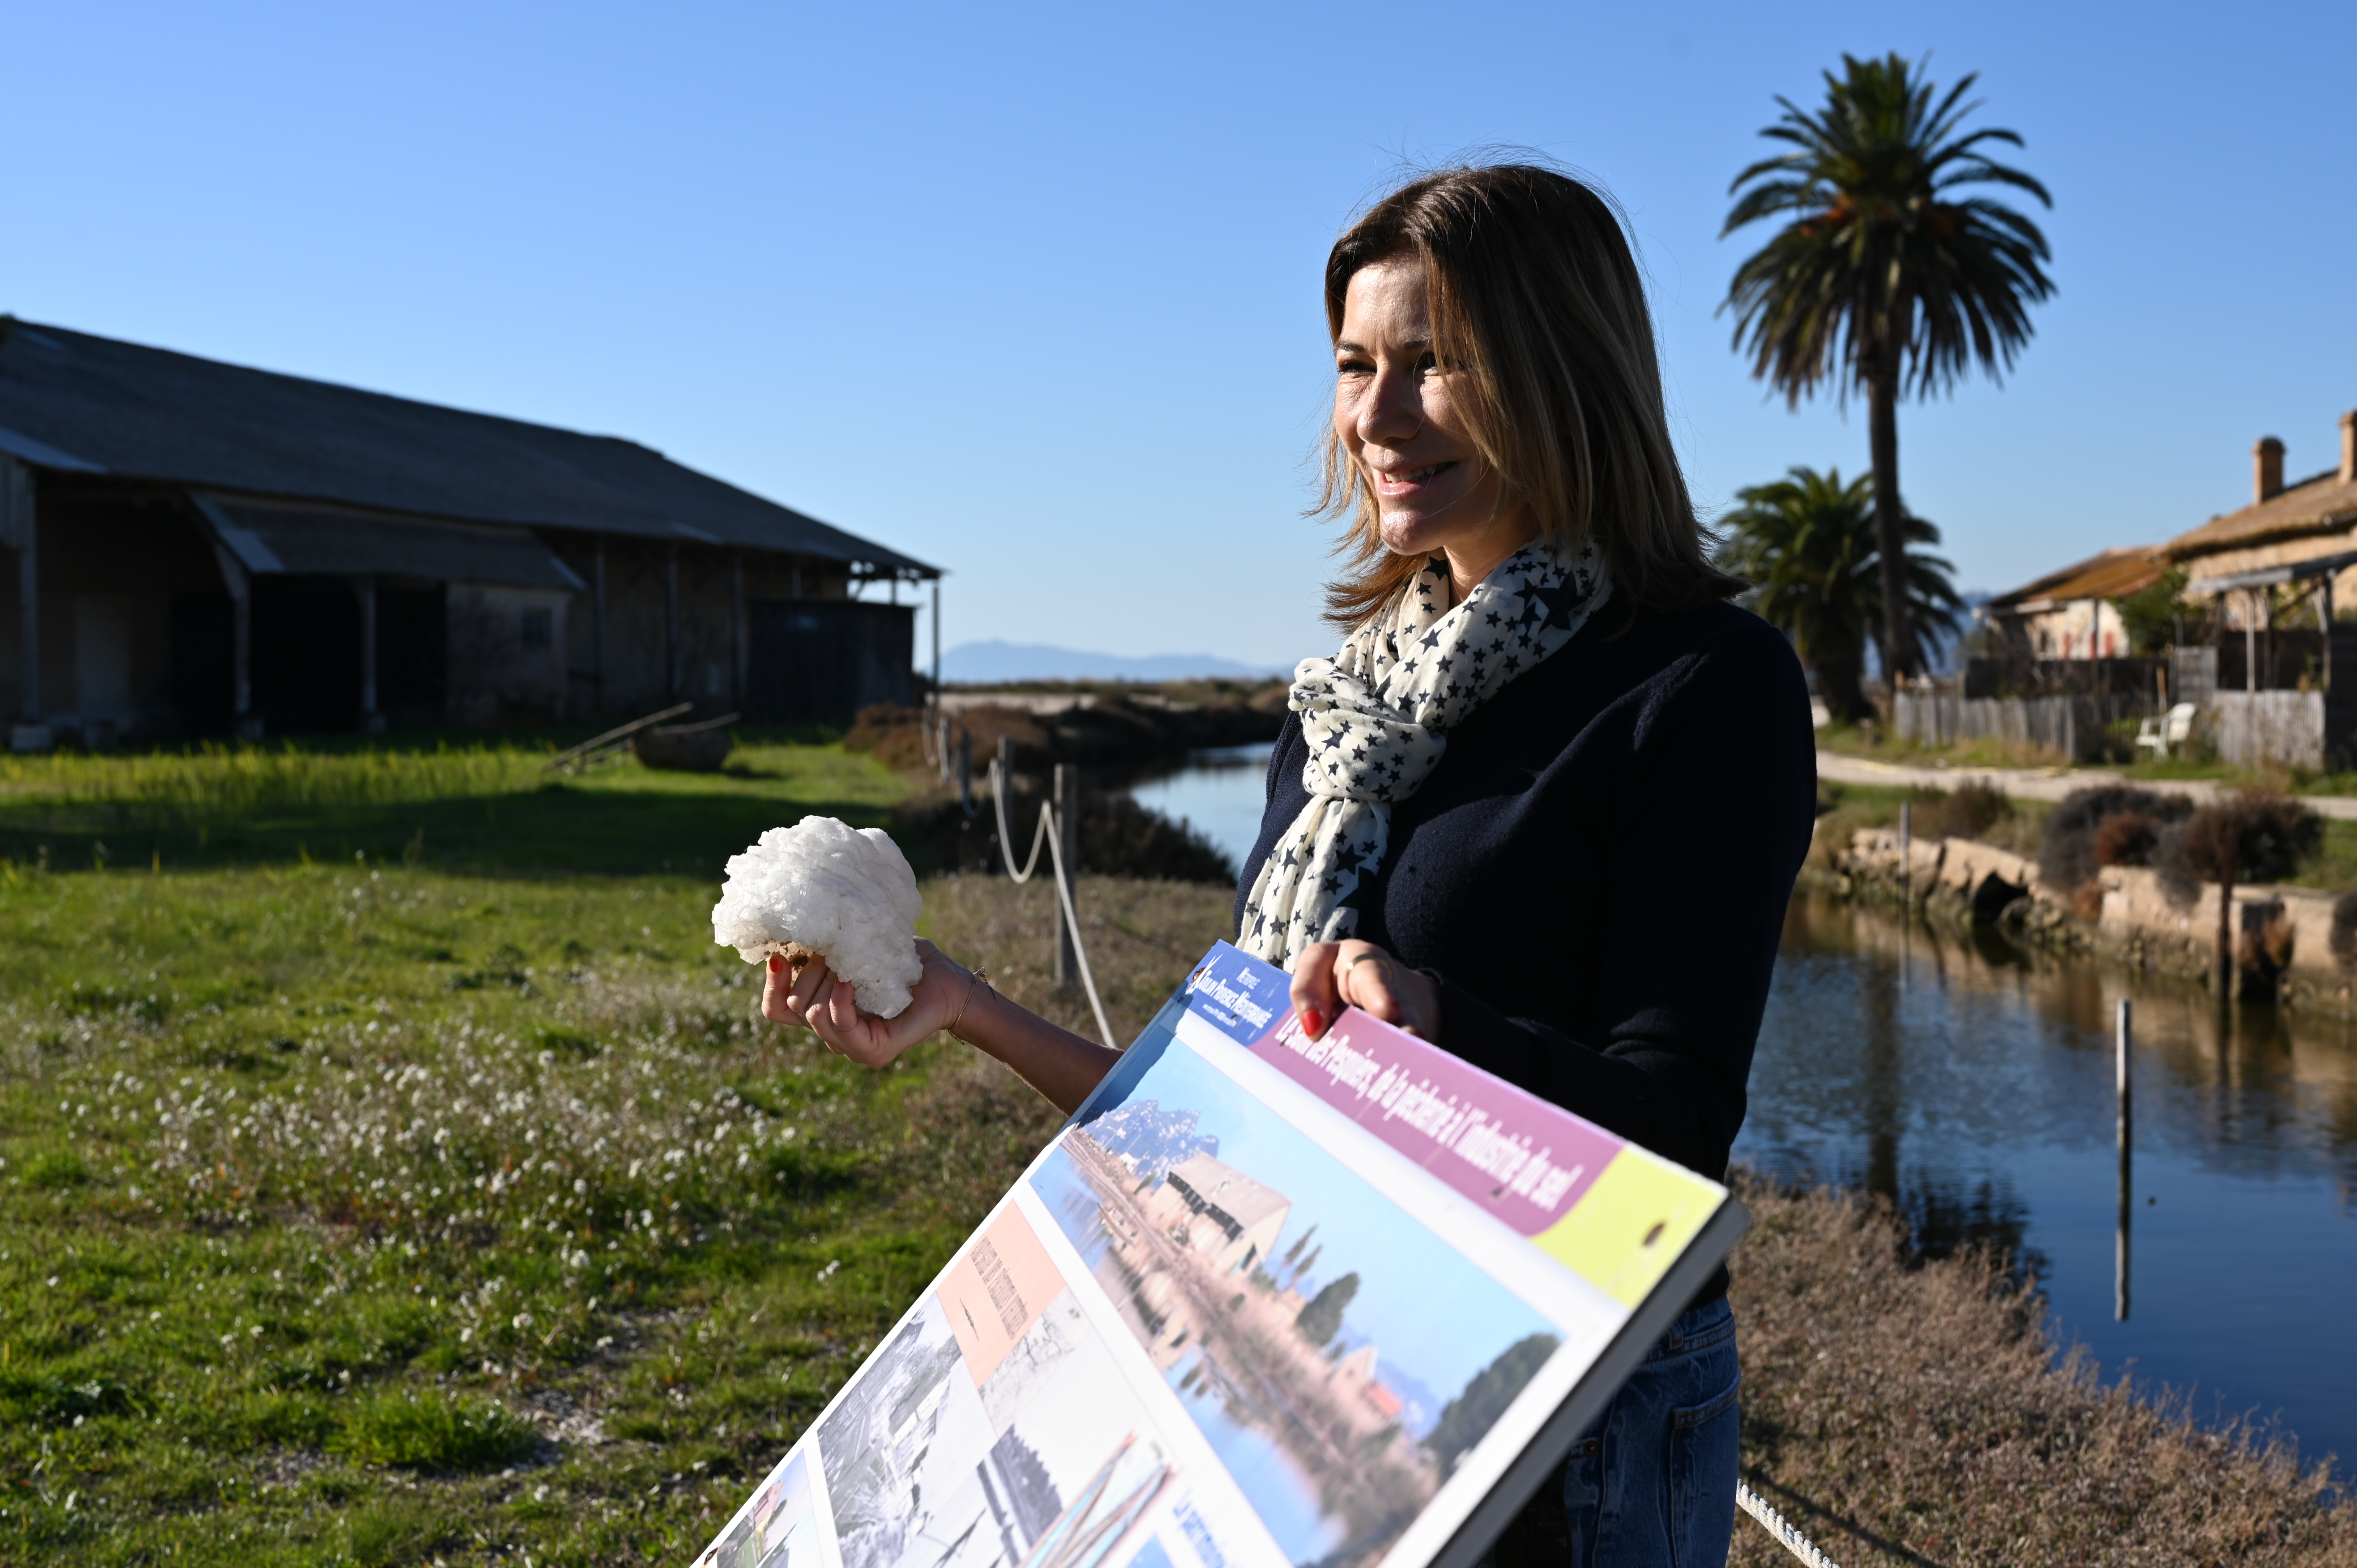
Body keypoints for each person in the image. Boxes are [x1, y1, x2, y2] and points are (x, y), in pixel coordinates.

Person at [765, 163, 1816, 1568]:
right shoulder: (1342, 715)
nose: (1377, 418)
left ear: (1562, 374)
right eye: (1354, 366)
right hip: (1325, 1375)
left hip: (1576, 1436)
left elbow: (1676, 1128)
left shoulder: (1702, 685)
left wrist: (1437, 1030)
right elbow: (1219, 1120)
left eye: (1437, 365)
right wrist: (963, 1006)